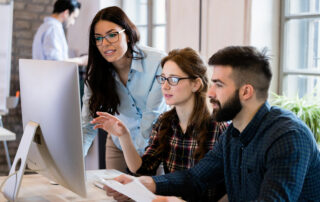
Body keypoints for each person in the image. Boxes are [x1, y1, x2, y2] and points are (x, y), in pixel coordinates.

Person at [104, 46, 320, 202]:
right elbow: (195, 178)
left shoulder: (288, 136)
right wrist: (147, 184)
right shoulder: (233, 134)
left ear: (246, 91)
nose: (211, 92)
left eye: (219, 84)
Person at [91, 48, 228, 201]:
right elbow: (143, 169)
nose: (165, 86)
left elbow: (226, 189)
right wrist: (124, 136)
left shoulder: (219, 128)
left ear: (196, 84)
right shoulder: (165, 122)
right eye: (163, 78)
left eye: (173, 79)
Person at [81, 6, 168, 173]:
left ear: (127, 34)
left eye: (112, 35)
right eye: (98, 38)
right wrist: (73, 164)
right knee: (113, 195)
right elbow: (87, 125)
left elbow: (152, 117)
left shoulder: (157, 62)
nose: (105, 44)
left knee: (151, 197)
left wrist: (137, 163)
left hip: (156, 146)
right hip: (118, 143)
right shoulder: (96, 75)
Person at [32, 0, 87, 65]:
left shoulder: (45, 26)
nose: (73, 23)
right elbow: (56, 63)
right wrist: (81, 60)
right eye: (74, 18)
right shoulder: (53, 28)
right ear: (66, 13)